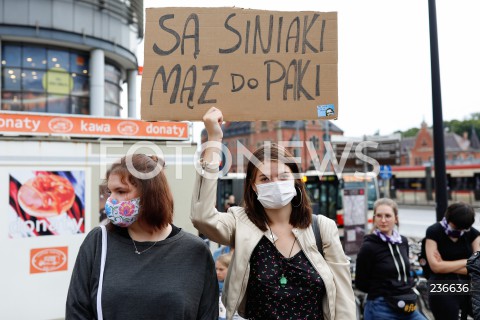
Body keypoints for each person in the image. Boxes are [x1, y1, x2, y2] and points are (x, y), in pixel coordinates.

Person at [191, 107, 355, 320]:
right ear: (253, 186)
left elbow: (343, 299)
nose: (275, 184)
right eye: (265, 179)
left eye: (282, 176)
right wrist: (214, 139)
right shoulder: (241, 223)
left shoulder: (322, 228)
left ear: (296, 180)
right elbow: (202, 217)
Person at [66, 154, 218, 319]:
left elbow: (208, 314)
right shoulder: (98, 242)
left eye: (121, 191)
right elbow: (77, 311)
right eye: (110, 192)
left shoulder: (195, 251)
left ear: (151, 194)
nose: (111, 201)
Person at [355, 198, 426, 320]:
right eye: (379, 216)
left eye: (388, 216)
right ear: (374, 218)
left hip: (405, 302)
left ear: (396, 218)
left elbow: (405, 272)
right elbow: (361, 283)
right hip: (380, 305)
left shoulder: (402, 241)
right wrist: (384, 289)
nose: (383, 220)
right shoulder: (369, 246)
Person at [425, 202, 480, 319]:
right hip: (441, 285)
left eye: (463, 228)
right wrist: (468, 261)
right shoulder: (434, 232)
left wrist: (445, 266)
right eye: (456, 227)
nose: (459, 231)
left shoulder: (473, 233)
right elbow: (435, 267)